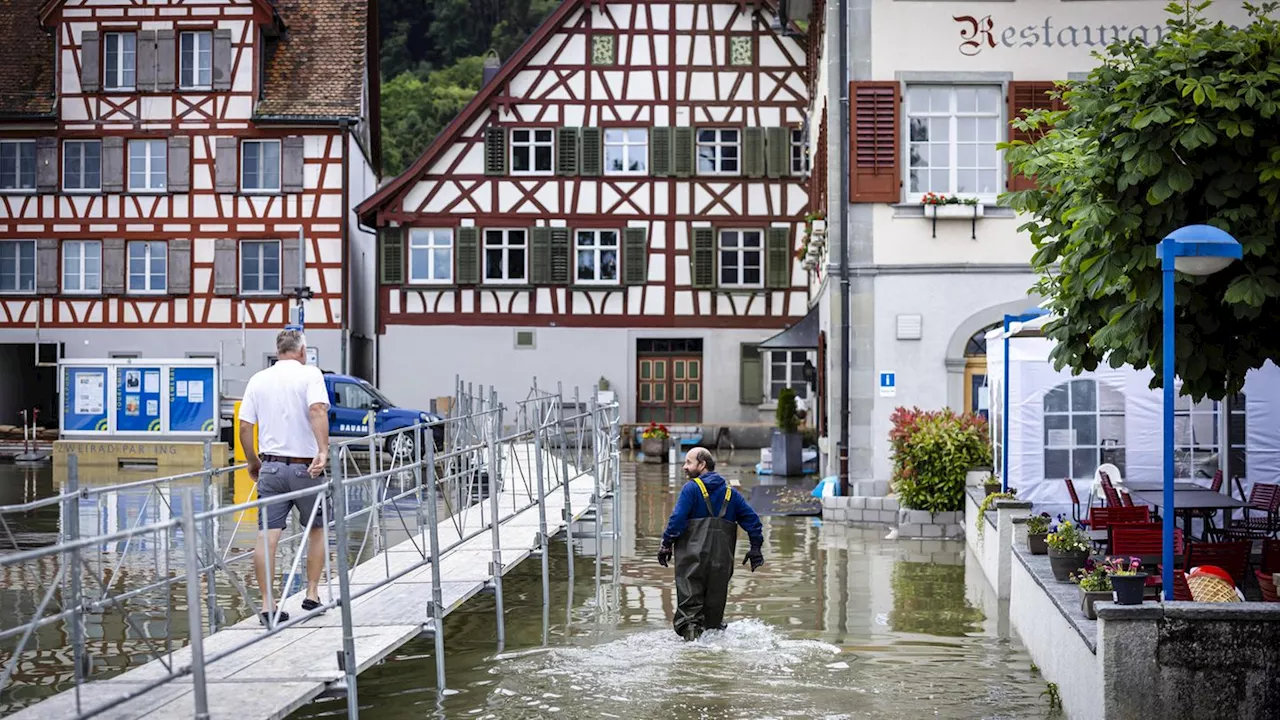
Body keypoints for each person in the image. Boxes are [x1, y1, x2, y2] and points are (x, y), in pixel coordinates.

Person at [238, 329, 331, 627]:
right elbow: (317, 409)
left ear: (278, 351)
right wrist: (323, 451)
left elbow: (243, 426)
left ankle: (268, 605)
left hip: (272, 468)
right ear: (302, 352)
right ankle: (312, 594)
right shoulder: (311, 374)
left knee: (267, 536)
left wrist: (253, 461)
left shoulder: (258, 379)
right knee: (316, 529)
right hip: (307, 468)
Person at [657, 447, 764, 641]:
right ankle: (713, 649)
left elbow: (677, 519)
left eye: (688, 462)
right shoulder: (732, 494)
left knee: (690, 612)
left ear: (702, 465)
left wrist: (666, 544)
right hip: (721, 563)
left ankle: (693, 655)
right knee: (713, 617)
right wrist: (755, 548)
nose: (684, 467)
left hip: (692, 562)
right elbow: (753, 522)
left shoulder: (691, 489)